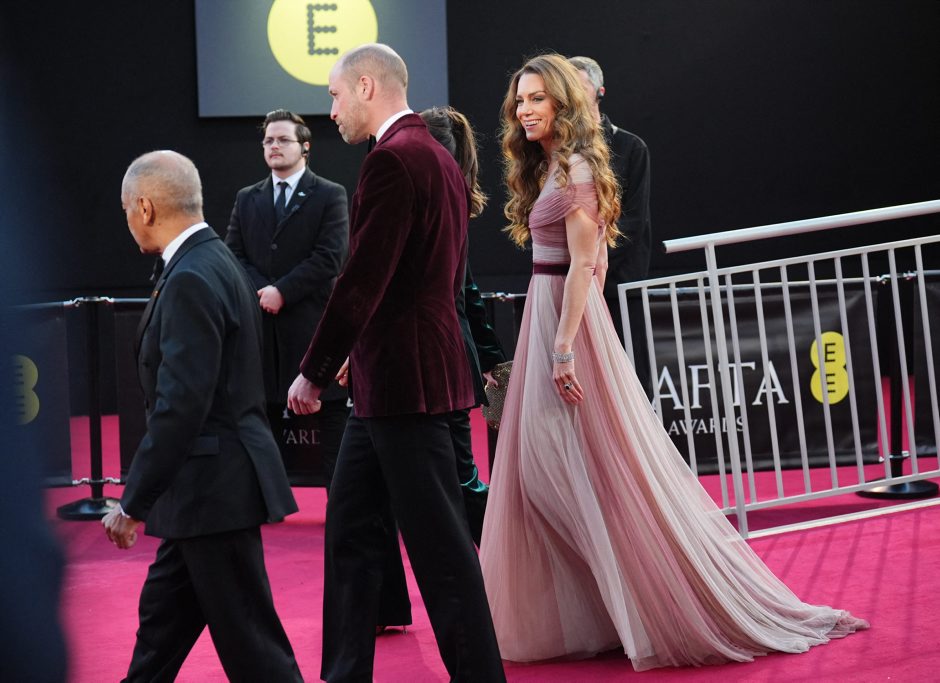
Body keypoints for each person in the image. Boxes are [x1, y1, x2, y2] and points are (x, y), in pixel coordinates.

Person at [478, 54, 868, 672]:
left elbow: (587, 264)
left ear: (563, 103)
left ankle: (646, 598)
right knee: (546, 469)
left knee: (584, 469)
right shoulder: (550, 164)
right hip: (550, 315)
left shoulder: (577, 166)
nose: (524, 110)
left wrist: (566, 346)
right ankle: (607, 605)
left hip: (563, 325)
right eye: (519, 100)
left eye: (536, 99)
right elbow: (595, 259)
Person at [286, 44, 506, 682]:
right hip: (394, 382)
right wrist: (353, 358)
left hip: (405, 386)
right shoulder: (434, 155)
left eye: (334, 96)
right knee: (350, 532)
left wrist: (315, 369)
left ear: (365, 86)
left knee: (440, 552)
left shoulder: (392, 160)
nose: (330, 111)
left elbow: (364, 279)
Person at [103, 150, 303, 682]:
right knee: (159, 631)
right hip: (204, 494)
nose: (127, 220)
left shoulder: (193, 275)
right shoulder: (215, 261)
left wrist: (133, 502)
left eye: (125, 209)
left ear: (145, 207)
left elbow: (180, 407)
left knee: (255, 651)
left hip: (213, 491)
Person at [225, 109, 349, 487]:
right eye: (268, 140)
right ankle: (263, 505)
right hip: (261, 335)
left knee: (331, 435)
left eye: (282, 140)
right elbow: (233, 255)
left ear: (305, 147)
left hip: (312, 331)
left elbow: (330, 257)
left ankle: (339, 505)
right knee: (260, 433)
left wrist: (283, 291)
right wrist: (263, 290)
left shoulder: (329, 194)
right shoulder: (247, 198)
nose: (274, 146)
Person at [421, 105, 507, 545]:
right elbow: (468, 291)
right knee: (454, 477)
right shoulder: (447, 199)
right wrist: (491, 359)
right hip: (448, 360)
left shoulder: (442, 202)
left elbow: (463, 292)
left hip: (445, 362)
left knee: (462, 478)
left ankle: (508, 553)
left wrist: (491, 361)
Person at [568, 55, 654, 397]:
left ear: (599, 91)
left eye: (579, 86)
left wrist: (590, 259)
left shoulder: (630, 147)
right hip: (573, 280)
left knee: (630, 379)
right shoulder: (558, 150)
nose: (572, 94)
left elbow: (633, 222)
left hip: (619, 286)